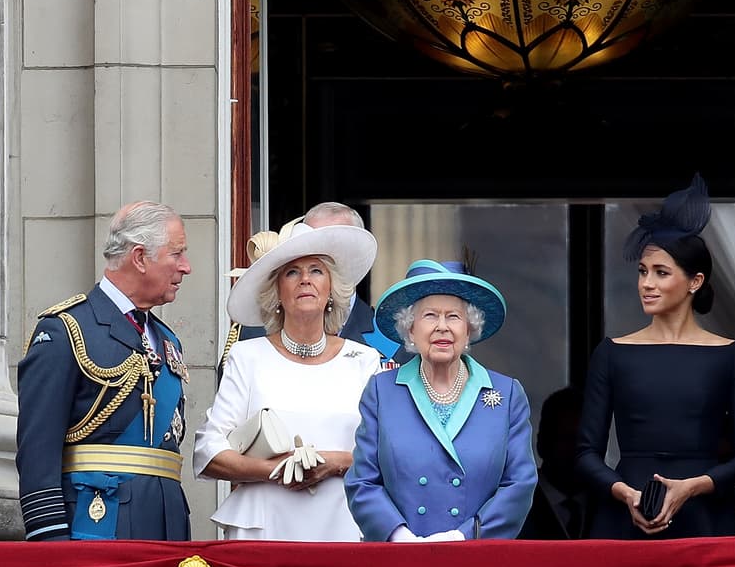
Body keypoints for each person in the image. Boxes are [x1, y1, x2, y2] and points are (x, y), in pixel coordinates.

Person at [577, 174, 735, 538]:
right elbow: (585, 455)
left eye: (661, 273)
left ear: (695, 281)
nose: (647, 283)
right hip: (625, 519)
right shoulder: (612, 353)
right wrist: (626, 494)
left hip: (705, 520)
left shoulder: (730, 355)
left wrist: (693, 486)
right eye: (643, 272)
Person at [16, 201, 193, 540]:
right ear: (139, 258)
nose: (186, 267)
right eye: (177, 254)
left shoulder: (167, 339)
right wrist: (51, 543)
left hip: (166, 525)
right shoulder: (66, 330)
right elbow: (38, 451)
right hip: (97, 525)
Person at [193, 222, 380, 540]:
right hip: (264, 528)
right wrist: (276, 471)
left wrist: (334, 462)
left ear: (331, 289)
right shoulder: (247, 356)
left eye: (316, 270)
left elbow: (384, 454)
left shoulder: (364, 360)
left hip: (342, 526)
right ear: (277, 292)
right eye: (292, 272)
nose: (305, 279)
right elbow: (209, 452)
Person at [346, 259, 536, 541]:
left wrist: (463, 537)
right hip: (401, 555)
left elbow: (520, 484)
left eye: (454, 316)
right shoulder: (381, 392)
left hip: (475, 554)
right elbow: (362, 481)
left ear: (469, 329)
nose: (442, 327)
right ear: (410, 329)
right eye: (430, 316)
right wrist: (399, 536)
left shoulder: (507, 394)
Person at [218, 202, 406, 374]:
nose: (306, 278)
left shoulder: (391, 338)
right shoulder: (251, 335)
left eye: (318, 266)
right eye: (307, 243)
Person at [518, 387, 589, 539]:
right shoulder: (516, 502)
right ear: (543, 443)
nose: (577, 450)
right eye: (568, 438)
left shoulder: (610, 508)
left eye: (585, 442)